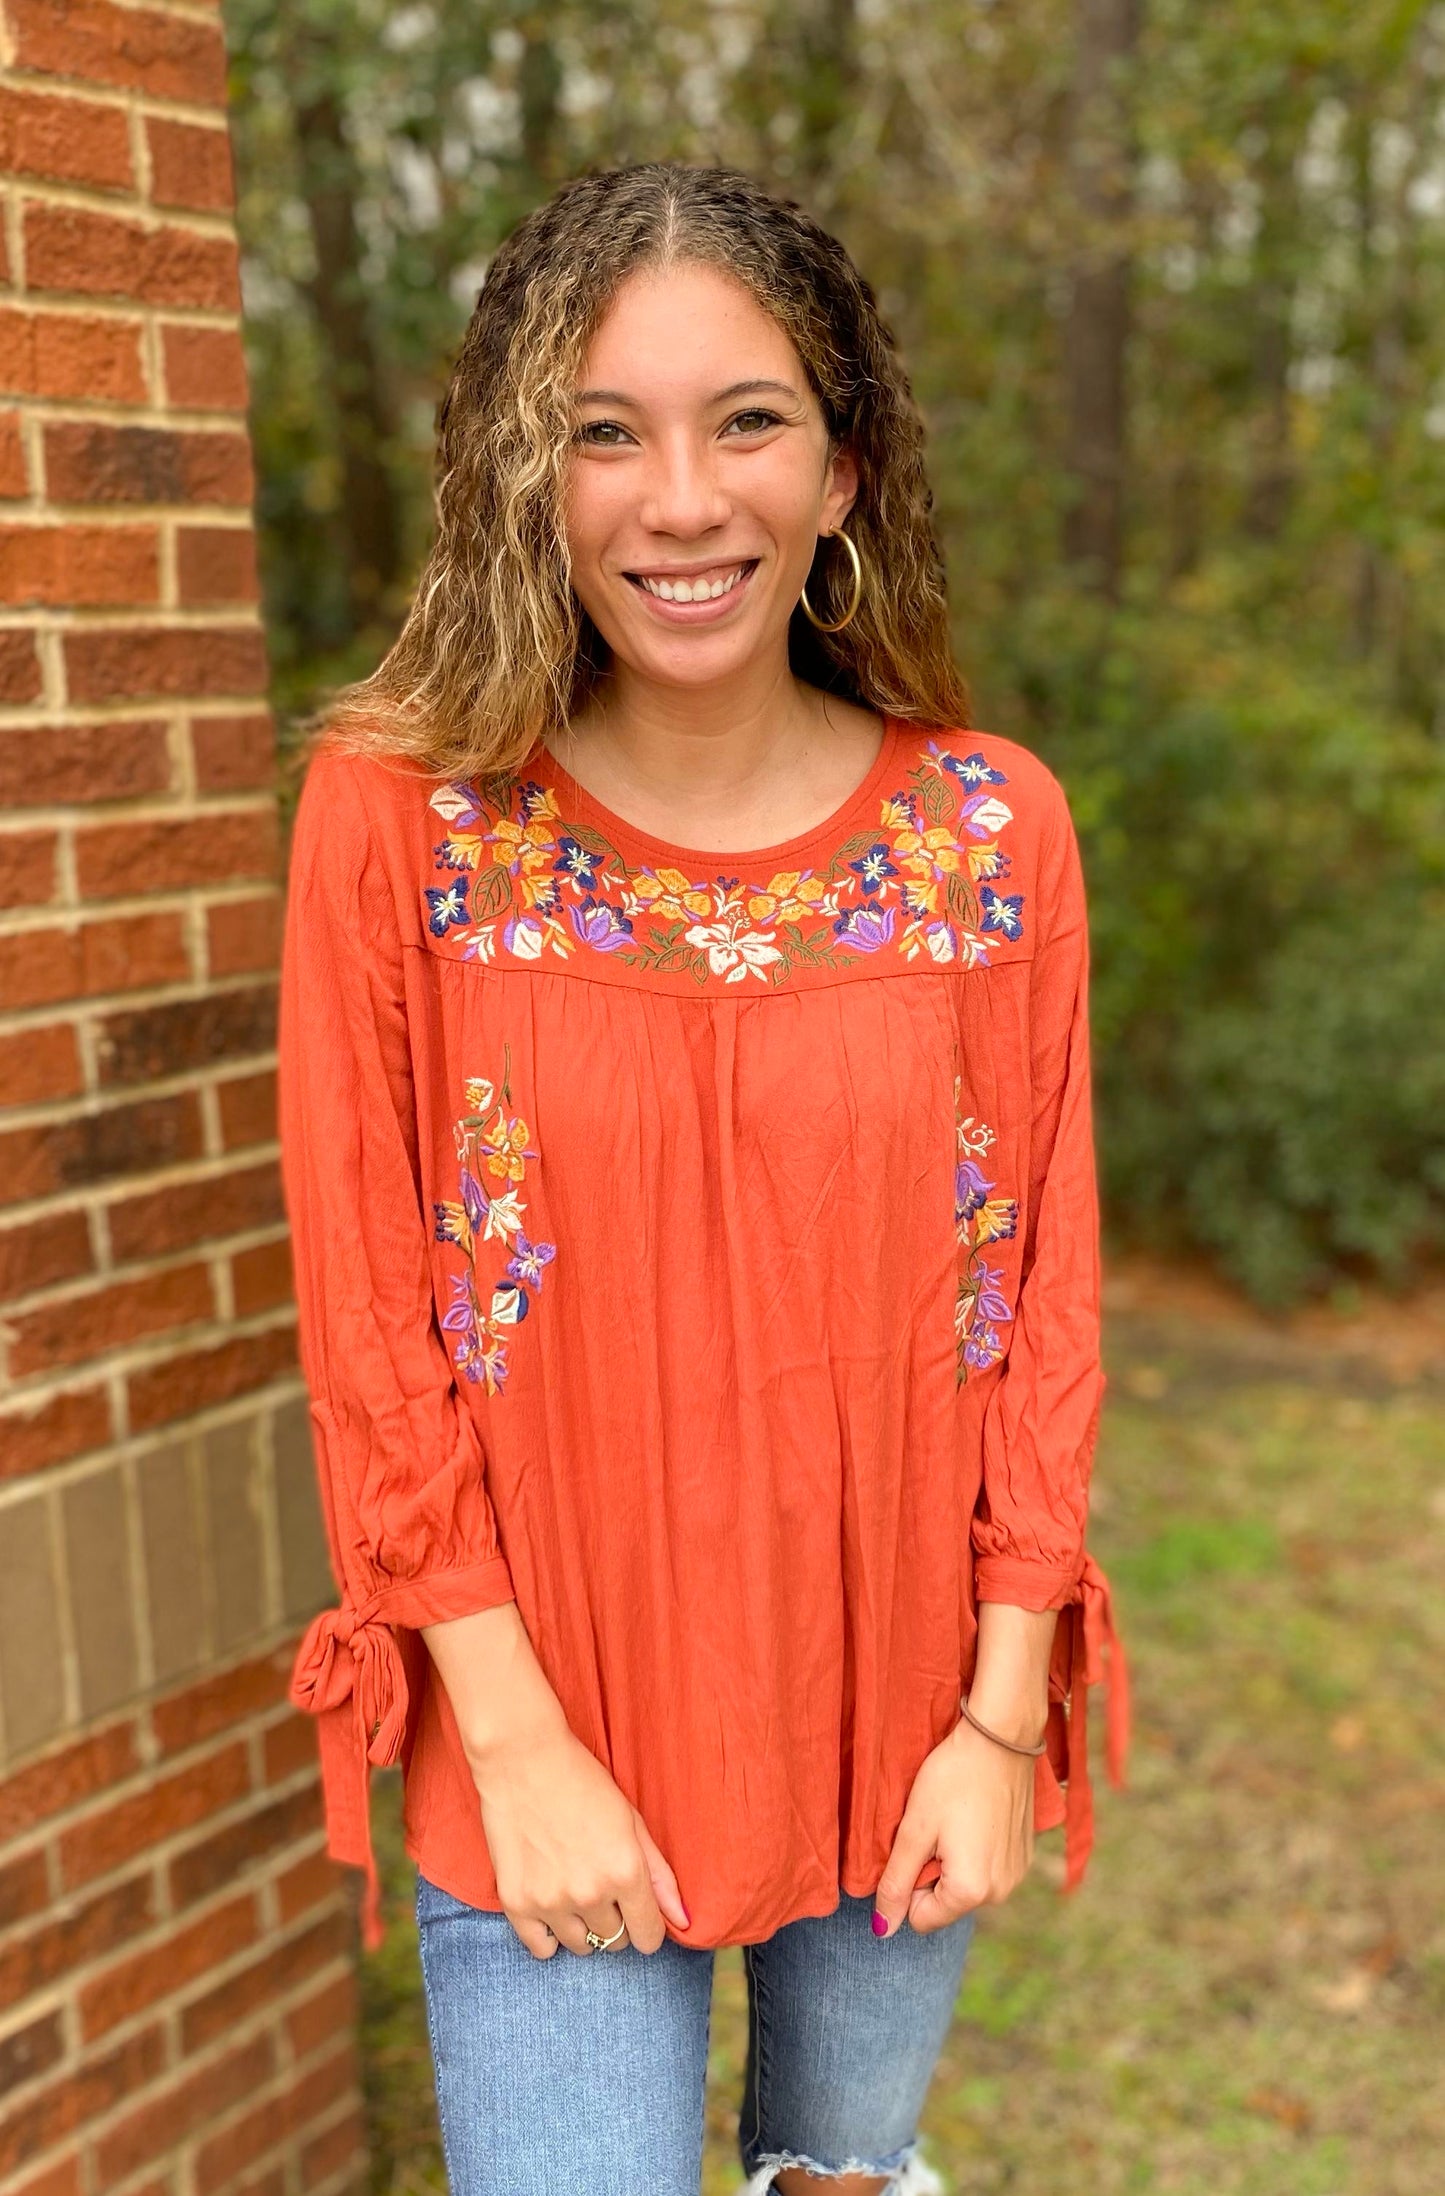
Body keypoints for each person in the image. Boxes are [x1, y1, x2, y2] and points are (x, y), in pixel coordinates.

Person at [279, 161, 1130, 2196]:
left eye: (747, 420)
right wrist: (513, 1740)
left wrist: (1002, 1722)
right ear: (526, 477)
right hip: (549, 1728)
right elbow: (377, 1330)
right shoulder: (403, 825)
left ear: (843, 470)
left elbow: (1046, 1302)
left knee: (843, 2179)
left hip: (906, 1715)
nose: (680, 500)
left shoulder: (988, 832)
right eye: (604, 430)